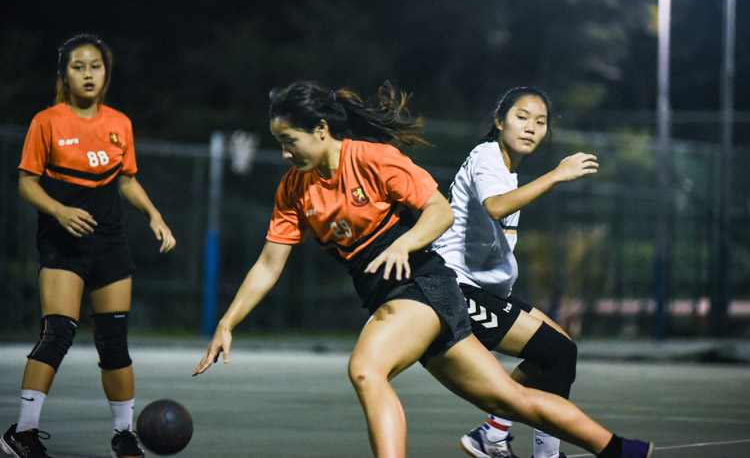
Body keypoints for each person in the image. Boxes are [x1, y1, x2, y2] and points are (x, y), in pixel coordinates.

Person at [192, 80, 654, 458]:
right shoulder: (294, 189)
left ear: (319, 130)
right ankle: (619, 450)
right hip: (401, 298)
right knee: (509, 401)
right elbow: (270, 263)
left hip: (421, 286)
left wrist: (404, 245)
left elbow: (440, 212)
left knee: (366, 370)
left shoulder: (371, 159)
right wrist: (228, 322)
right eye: (279, 144)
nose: (284, 153)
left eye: (288, 141)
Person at [1, 34, 176, 458]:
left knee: (114, 341)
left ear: (106, 72)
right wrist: (59, 211)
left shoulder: (120, 124)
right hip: (63, 245)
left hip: (110, 245)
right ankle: (21, 434)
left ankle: (124, 436)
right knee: (58, 332)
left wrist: (154, 215)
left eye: (95, 66)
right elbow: (27, 182)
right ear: (65, 74)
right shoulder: (48, 121)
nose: (88, 74)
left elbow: (126, 179)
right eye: (78, 66)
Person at [433, 87, 597, 458]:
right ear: (499, 121)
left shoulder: (509, 172)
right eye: (521, 117)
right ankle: (534, 450)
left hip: (484, 291)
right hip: (454, 288)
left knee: (561, 351)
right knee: (556, 352)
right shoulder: (487, 158)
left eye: (540, 122)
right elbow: (494, 207)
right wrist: (556, 174)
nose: (531, 128)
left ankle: (493, 432)